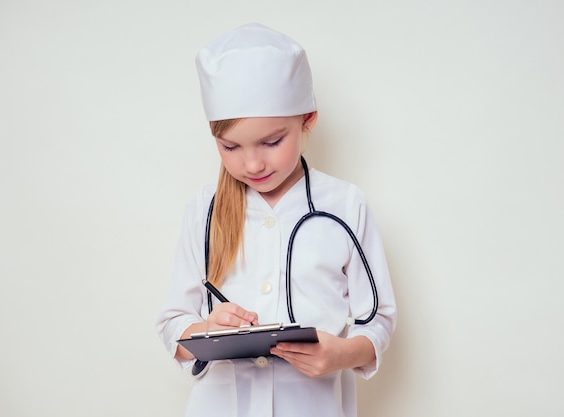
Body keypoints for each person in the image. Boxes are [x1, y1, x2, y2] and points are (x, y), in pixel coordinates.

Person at [156, 23, 397, 417]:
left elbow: (378, 320)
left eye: (271, 142)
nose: (252, 164)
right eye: (230, 147)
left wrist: (342, 354)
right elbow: (173, 325)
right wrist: (206, 331)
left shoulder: (346, 205)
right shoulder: (204, 209)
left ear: (308, 119)